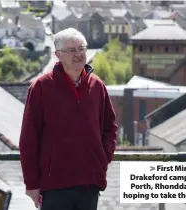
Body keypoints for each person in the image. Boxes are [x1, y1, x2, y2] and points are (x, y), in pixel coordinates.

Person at [19, 27, 117, 210]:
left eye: (82, 49)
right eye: (72, 50)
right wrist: (31, 184)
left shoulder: (97, 86)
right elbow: (29, 139)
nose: (78, 54)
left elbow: (109, 127)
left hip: (90, 182)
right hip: (54, 184)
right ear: (58, 55)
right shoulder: (41, 87)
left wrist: (103, 158)